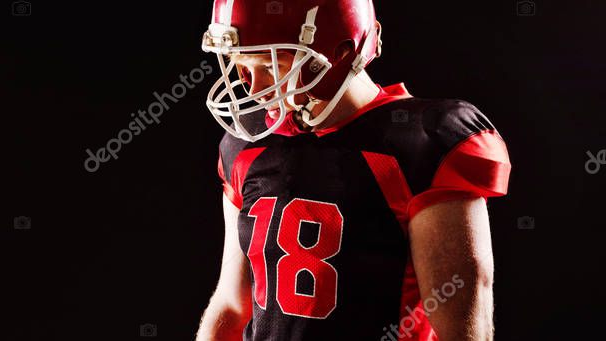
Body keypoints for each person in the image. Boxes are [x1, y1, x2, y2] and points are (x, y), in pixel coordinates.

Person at [195, 1, 511, 340]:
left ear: (338, 54)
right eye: (243, 68)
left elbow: (463, 333)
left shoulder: (420, 142)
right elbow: (231, 303)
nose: (255, 90)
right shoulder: (246, 147)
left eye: (271, 65)